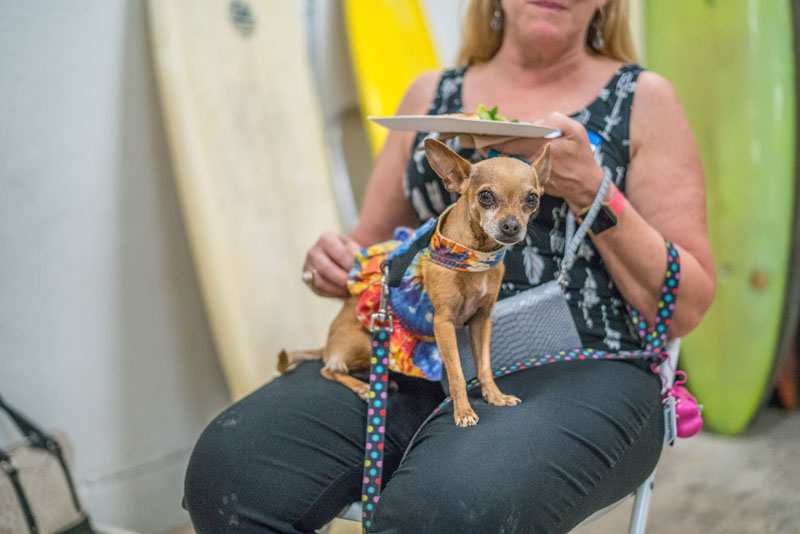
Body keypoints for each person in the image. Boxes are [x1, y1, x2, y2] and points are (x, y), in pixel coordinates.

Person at [182, 0, 716, 532]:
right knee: (232, 470)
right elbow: (370, 249)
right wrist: (333, 263)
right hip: (415, 349)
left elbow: (685, 305)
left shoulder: (641, 100)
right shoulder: (430, 95)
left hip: (581, 363)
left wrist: (591, 190)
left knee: (445, 512)